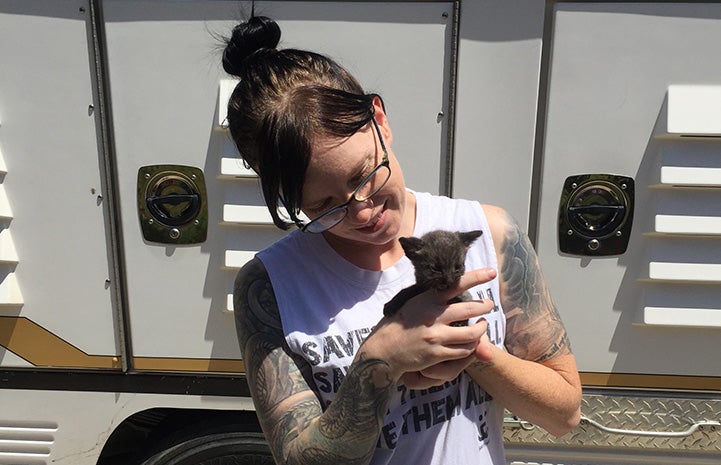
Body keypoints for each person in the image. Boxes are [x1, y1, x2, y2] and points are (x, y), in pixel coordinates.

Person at [224, 15, 581, 465]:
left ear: (379, 119)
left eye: (366, 174)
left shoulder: (490, 232)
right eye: (323, 205)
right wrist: (382, 358)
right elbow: (298, 458)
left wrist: (471, 350)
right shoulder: (268, 285)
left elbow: (564, 413)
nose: (362, 210)